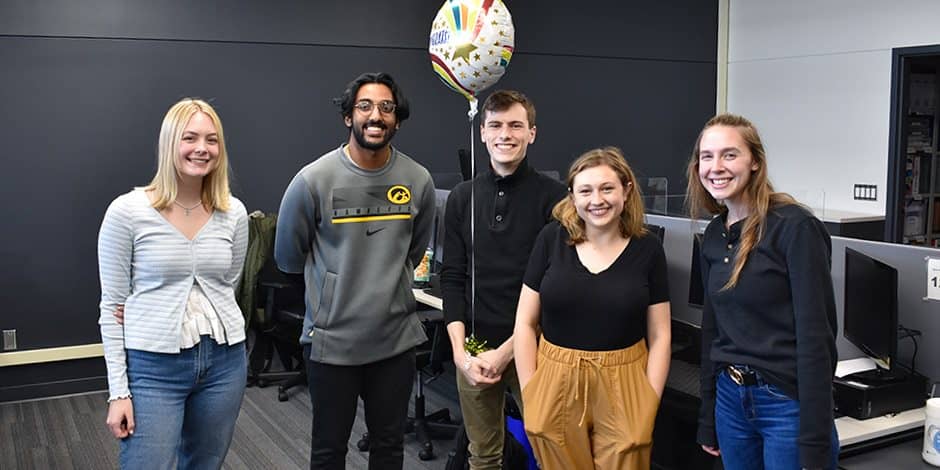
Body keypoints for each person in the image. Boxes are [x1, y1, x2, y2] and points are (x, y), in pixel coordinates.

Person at [274, 72, 435, 470]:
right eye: (365, 106)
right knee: (329, 451)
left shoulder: (418, 180)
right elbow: (288, 257)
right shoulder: (313, 180)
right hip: (332, 343)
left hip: (394, 342)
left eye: (386, 107)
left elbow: (413, 253)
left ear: (397, 119)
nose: (375, 116)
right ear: (349, 117)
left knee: (389, 447)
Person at [97, 98, 249, 469]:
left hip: (225, 362)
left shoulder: (234, 211)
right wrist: (119, 391)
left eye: (212, 140)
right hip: (153, 367)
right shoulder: (127, 212)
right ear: (170, 144)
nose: (202, 148)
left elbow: (228, 284)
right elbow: (112, 305)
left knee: (205, 462)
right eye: (190, 138)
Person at [688, 114, 839, 470]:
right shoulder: (713, 234)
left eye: (729, 155)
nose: (716, 167)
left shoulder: (794, 228)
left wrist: (815, 437)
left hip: (785, 402)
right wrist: (708, 417)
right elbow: (713, 331)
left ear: (755, 161)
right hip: (730, 398)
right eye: (706, 157)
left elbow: (816, 337)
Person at [513, 147, 672, 470]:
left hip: (625, 376)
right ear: (572, 196)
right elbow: (525, 323)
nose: (596, 200)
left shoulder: (648, 248)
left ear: (626, 190)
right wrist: (532, 396)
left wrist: (648, 404)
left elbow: (661, 334)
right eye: (585, 190)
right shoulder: (551, 239)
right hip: (555, 374)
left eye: (607, 188)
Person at [440, 90, 567, 469]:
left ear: (532, 133)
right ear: (482, 132)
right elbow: (453, 276)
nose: (505, 134)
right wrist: (461, 354)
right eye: (495, 125)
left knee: (552, 451)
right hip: (475, 350)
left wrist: (508, 351)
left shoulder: (555, 198)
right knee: (483, 456)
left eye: (515, 125)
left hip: (537, 348)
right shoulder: (463, 198)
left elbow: (556, 287)